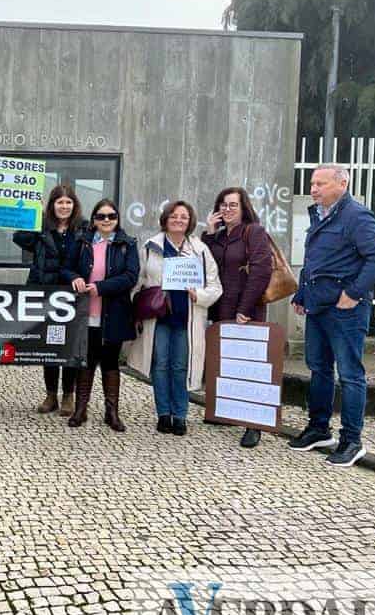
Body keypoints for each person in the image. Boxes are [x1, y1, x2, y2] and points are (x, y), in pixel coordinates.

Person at [290, 164, 375, 467]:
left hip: (346, 310)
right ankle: (319, 429)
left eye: (320, 183)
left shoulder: (356, 216)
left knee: (350, 374)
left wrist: (354, 292)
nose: (313, 188)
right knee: (318, 368)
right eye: (312, 183)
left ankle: (351, 440)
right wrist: (301, 294)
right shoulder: (320, 214)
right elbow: (315, 262)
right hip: (318, 307)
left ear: (342, 183)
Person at [127, 200, 222, 436]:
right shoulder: (151, 246)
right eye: (174, 216)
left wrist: (197, 294)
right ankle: (163, 414)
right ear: (165, 220)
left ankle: (180, 415)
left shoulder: (200, 249)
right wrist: (136, 306)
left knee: (180, 367)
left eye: (184, 217)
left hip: (186, 317)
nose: (179, 220)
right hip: (158, 318)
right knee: (159, 365)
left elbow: (215, 285)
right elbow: (138, 280)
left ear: (190, 221)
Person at [202, 187, 273, 449]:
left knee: (251, 365)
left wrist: (245, 308)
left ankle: (254, 425)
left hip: (246, 309)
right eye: (223, 205)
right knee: (227, 362)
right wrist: (209, 233)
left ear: (244, 208)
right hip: (222, 307)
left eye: (233, 205)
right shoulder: (219, 237)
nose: (227, 209)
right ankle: (231, 412)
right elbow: (204, 264)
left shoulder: (253, 232)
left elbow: (261, 271)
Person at [63, 199, 139, 429]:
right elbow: (66, 267)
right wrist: (74, 277)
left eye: (111, 216)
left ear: (117, 219)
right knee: (85, 361)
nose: (106, 220)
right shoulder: (82, 241)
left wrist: (101, 287)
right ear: (94, 219)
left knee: (110, 362)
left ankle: (111, 412)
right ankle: (81, 409)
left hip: (113, 312)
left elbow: (130, 276)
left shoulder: (128, 244)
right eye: (101, 216)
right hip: (86, 312)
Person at [13, 185, 85, 417]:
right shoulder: (41, 227)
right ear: (52, 205)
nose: (64, 207)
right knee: (50, 345)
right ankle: (51, 394)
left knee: (71, 345)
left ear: (74, 206)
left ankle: (68, 395)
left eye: (68, 202)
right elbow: (18, 237)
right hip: (45, 294)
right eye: (59, 202)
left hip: (74, 297)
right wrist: (35, 216)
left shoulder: (83, 229)